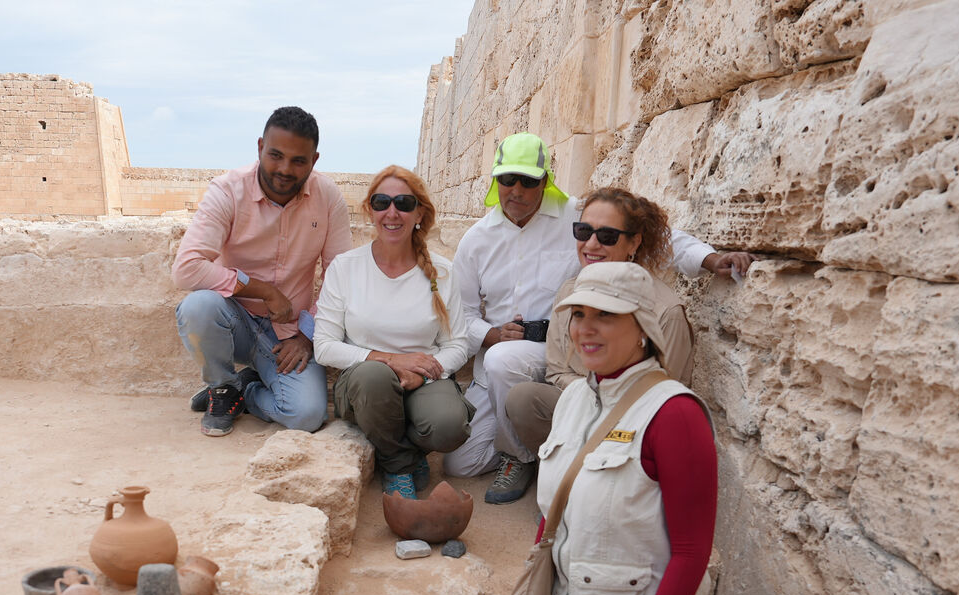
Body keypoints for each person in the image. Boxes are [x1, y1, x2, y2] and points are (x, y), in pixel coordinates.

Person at [444, 132, 749, 504]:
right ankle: (539, 448)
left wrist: (708, 258)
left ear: (546, 180)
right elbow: (462, 316)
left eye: (528, 180)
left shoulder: (576, 217)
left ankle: (523, 457)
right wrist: (491, 333)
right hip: (517, 363)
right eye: (508, 179)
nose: (517, 190)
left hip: (576, 351)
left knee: (511, 367)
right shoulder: (477, 240)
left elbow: (657, 237)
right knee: (462, 461)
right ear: (496, 181)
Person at [514, 261, 717, 595]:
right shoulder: (579, 397)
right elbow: (558, 501)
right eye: (578, 314)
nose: (585, 328)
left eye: (605, 315)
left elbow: (693, 550)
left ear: (643, 327)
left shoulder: (674, 415)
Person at [172, 106, 352, 437]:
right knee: (198, 307)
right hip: (233, 322)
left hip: (288, 333)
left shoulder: (328, 198)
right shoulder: (228, 190)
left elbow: (340, 277)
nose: (285, 169)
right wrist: (264, 291)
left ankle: (246, 391)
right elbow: (186, 269)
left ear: (314, 160)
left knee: (307, 415)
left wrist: (307, 336)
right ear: (259, 148)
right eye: (276, 155)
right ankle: (222, 388)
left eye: (299, 160)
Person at [505, 187, 718, 454]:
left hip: (633, 423)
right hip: (579, 401)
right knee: (523, 399)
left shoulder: (665, 312)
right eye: (583, 232)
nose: (591, 245)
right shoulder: (569, 293)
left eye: (607, 236)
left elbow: (662, 398)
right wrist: (591, 398)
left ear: (634, 243)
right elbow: (557, 371)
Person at [313, 165, 472, 499]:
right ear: (370, 210)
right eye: (382, 201)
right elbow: (324, 347)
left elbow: (457, 344)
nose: (392, 212)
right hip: (365, 383)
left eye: (404, 203)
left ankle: (399, 447)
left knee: (448, 427)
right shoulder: (346, 267)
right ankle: (399, 464)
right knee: (374, 377)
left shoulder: (442, 272)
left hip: (421, 379)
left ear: (419, 213)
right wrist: (392, 360)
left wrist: (426, 375)